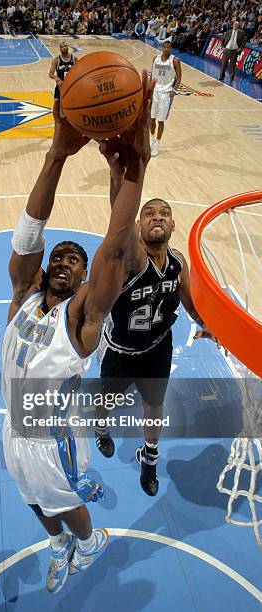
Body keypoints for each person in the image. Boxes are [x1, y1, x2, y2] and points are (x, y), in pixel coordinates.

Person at [3, 73, 155, 593]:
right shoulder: (23, 295)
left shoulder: (81, 319)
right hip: (14, 432)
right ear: (46, 270)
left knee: (67, 505)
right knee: (32, 502)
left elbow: (114, 246)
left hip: (55, 440)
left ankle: (89, 543)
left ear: (84, 279)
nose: (67, 261)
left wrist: (135, 168)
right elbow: (28, 233)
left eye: (76, 260)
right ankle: (59, 542)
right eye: (59, 257)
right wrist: (55, 155)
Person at [94, 146, 220, 497]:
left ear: (173, 224)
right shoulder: (132, 258)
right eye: (148, 213)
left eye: (164, 213)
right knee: (106, 401)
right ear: (138, 224)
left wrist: (203, 322)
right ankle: (100, 428)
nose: (157, 217)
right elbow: (119, 224)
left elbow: (189, 300)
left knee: (154, 405)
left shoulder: (178, 262)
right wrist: (118, 176)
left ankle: (149, 457)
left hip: (157, 347)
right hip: (120, 350)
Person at [150, 41, 181, 157]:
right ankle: (152, 139)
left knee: (160, 121)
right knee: (151, 119)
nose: (166, 49)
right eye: (165, 47)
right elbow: (152, 76)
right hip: (155, 92)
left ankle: (157, 144)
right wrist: (149, 90)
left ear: (171, 48)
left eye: (169, 47)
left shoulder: (175, 60)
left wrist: (174, 90)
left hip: (166, 94)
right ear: (162, 48)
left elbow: (179, 77)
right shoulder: (155, 59)